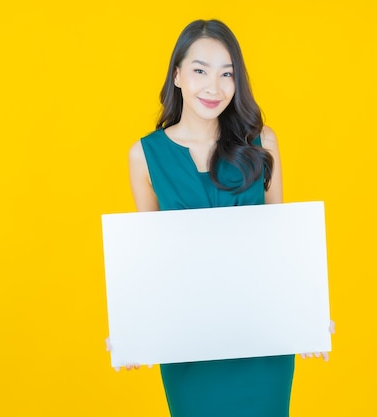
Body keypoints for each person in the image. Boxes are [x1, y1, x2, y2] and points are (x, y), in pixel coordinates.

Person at [108, 19, 333, 417]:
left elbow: (281, 241)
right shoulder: (144, 156)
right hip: (188, 345)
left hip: (262, 339)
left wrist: (308, 313)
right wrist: (132, 328)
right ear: (177, 75)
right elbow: (150, 260)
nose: (214, 87)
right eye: (200, 71)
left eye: (226, 74)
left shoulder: (262, 142)